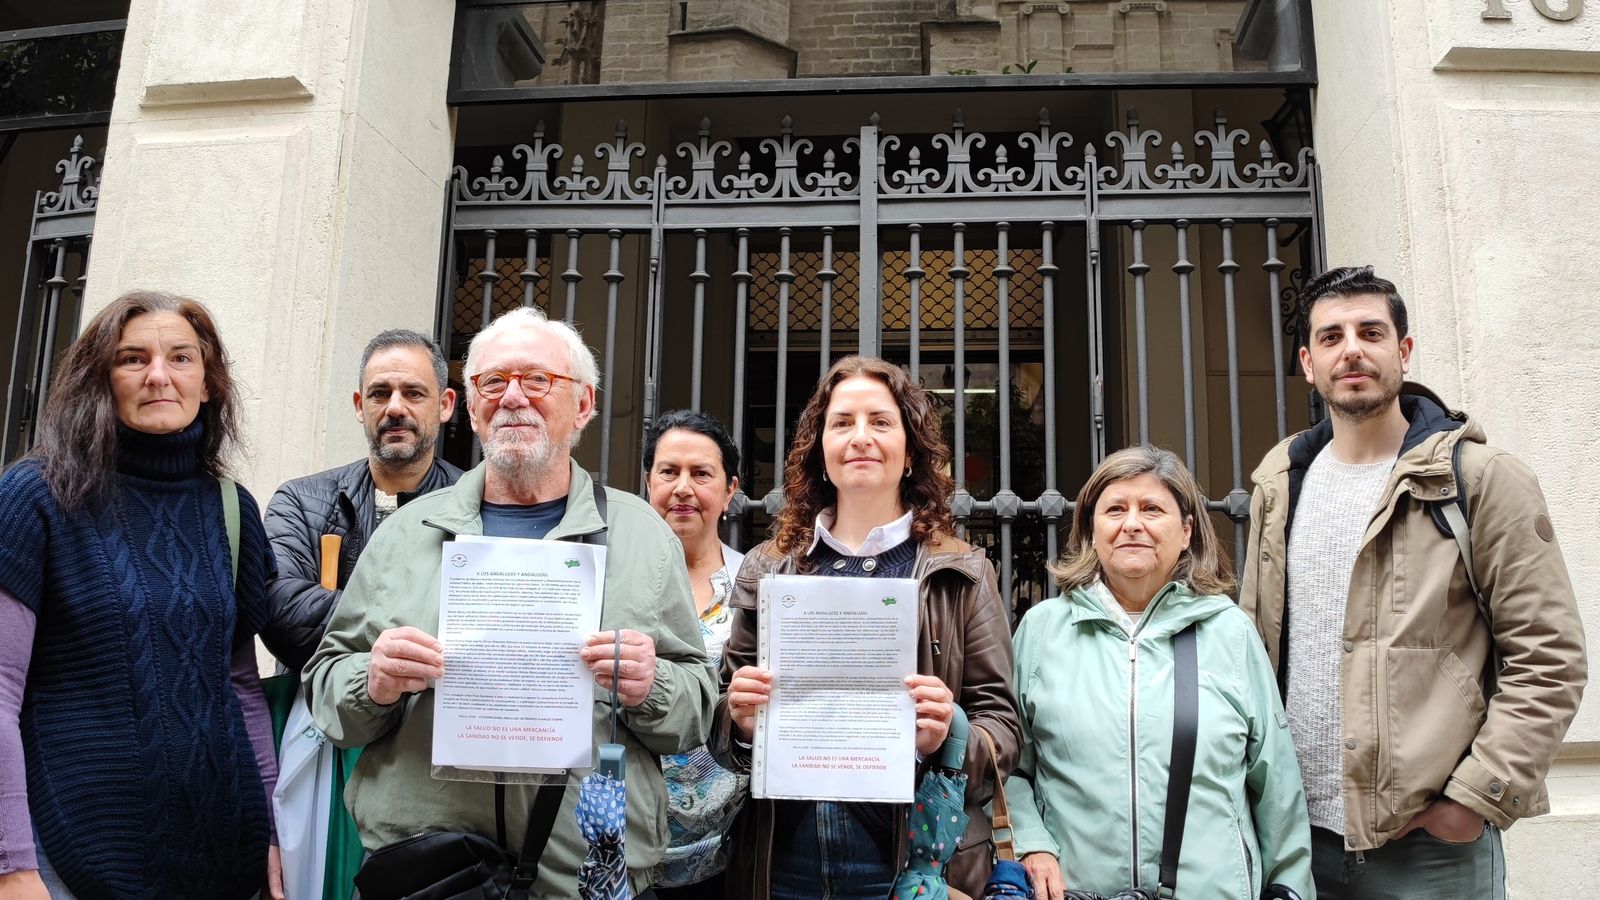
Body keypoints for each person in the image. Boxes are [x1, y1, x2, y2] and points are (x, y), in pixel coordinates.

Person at [304, 306, 715, 898]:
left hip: (585, 879)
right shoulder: (405, 532)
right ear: (470, 406)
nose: (513, 397)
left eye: (538, 380)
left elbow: (698, 707)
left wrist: (650, 685)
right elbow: (326, 692)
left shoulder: (643, 535)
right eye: (493, 382)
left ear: (584, 405)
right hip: (432, 876)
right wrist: (373, 680)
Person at [1238, 266, 1587, 899]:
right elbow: (1256, 647)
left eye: (1371, 331)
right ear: (1308, 363)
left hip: (1428, 849)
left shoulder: (1479, 479)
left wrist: (1476, 797)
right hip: (1294, 842)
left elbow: (1549, 658)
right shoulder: (1279, 480)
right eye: (1331, 336)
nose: (1352, 349)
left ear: (1402, 350)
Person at [0, 290, 281, 899]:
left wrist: (271, 833)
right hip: (67, 856)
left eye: (182, 357)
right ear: (99, 379)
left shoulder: (232, 508)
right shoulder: (36, 496)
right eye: (133, 359)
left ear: (208, 382)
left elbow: (239, 685)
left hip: (224, 859)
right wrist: (11, 861)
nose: (159, 376)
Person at [711, 355, 1021, 900]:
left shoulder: (964, 570)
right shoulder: (770, 564)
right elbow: (719, 718)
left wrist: (948, 733)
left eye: (880, 422)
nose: (861, 437)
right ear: (820, 454)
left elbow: (1003, 729)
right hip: (781, 861)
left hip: (909, 866)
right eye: (842, 423)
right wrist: (739, 721)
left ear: (909, 453)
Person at [1006, 445, 1313, 900]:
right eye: (1115, 509)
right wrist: (1032, 843)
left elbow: (1275, 781)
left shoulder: (1229, 631)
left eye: (1152, 509)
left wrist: (1290, 886)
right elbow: (1010, 766)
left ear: (1186, 531)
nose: (1132, 524)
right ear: (1092, 528)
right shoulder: (1043, 630)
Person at [263, 328, 462, 673]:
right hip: (319, 718)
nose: (395, 408)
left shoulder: (472, 502)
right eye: (380, 394)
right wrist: (415, 631)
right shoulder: (299, 501)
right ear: (360, 406)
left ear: (444, 405)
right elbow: (283, 613)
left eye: (413, 393)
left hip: (429, 718)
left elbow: (482, 626)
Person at [640, 409, 747, 898]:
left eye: (701, 474)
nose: (683, 488)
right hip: (627, 840)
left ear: (729, 491)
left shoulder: (757, 585)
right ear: (648, 484)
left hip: (734, 846)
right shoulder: (615, 584)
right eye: (669, 472)